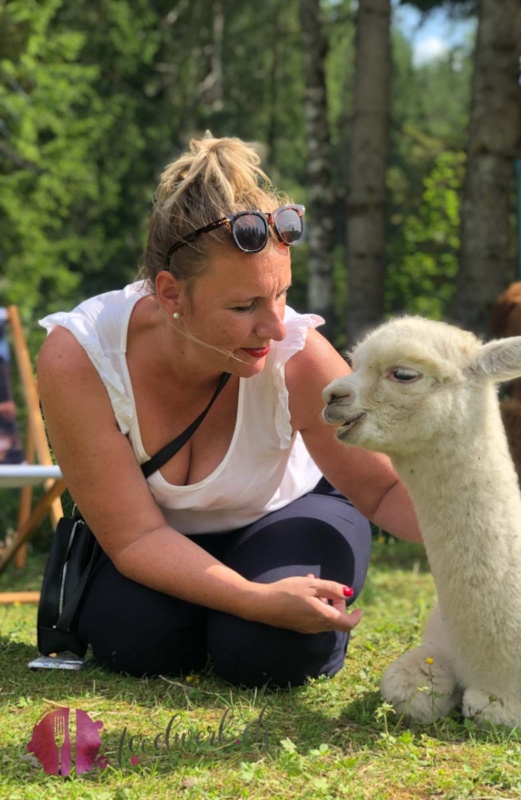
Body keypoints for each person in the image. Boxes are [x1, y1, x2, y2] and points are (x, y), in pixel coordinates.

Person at [37, 133, 420, 687]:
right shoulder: (80, 355)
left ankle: (241, 619)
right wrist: (250, 597)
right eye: (244, 306)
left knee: (272, 651)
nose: (276, 327)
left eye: (282, 295)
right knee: (138, 641)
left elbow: (385, 490)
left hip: (290, 512)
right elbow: (136, 539)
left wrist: (490, 532)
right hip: (155, 534)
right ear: (171, 295)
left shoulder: (297, 354)